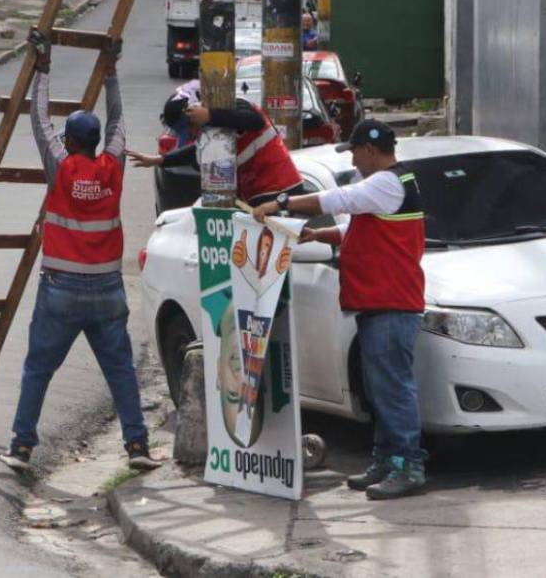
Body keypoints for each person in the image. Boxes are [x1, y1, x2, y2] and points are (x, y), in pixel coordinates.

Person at [0, 28, 158, 475]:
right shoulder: (113, 166)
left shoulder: (62, 167)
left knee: (38, 370)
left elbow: (38, 120)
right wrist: (111, 73)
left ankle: (22, 447)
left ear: (70, 142)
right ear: (97, 141)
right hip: (107, 288)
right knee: (120, 371)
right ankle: (137, 445)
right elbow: (120, 122)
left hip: (61, 289)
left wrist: (43, 67)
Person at [252, 119, 427, 499]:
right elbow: (362, 228)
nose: (356, 160)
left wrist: (280, 203)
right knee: (379, 389)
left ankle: (407, 466)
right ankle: (385, 459)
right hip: (379, 301)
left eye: (356, 152)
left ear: (370, 150)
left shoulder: (387, 182)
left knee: (393, 388)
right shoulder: (393, 186)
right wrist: (322, 234)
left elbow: (336, 200)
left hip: (391, 302)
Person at [129, 96, 305, 206]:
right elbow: (193, 152)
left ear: (194, 111)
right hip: (258, 196)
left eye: (190, 127)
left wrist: (210, 115)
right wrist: (160, 160)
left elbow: (255, 121)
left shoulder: (234, 106)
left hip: (282, 189)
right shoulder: (210, 134)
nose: (192, 133)